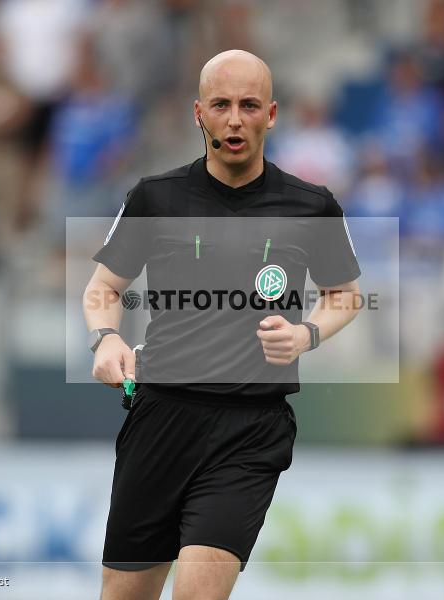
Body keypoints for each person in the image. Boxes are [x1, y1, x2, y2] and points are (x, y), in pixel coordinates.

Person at [83, 50, 361, 600]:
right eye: (222, 105)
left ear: (272, 114)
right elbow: (103, 288)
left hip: (250, 429)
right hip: (161, 415)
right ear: (199, 114)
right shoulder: (154, 197)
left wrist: (306, 333)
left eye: (249, 105)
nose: (235, 119)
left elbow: (345, 297)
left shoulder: (312, 206)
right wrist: (106, 337)